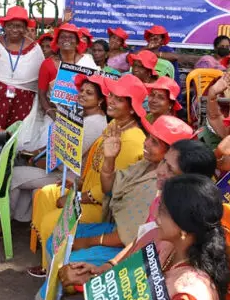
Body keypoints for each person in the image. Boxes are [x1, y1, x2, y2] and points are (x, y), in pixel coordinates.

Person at [2, 116, 194, 300]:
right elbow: (110, 188)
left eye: (155, 142)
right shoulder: (149, 166)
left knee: (71, 260)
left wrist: (91, 245)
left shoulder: (168, 190)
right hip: (122, 237)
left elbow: (133, 239)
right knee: (59, 239)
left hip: (127, 247)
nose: (147, 143)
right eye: (150, 138)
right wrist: (110, 158)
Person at [26, 175, 230, 300]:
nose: (156, 216)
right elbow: (133, 288)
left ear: (184, 229)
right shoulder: (171, 246)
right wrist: (95, 277)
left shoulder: (186, 295)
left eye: (163, 211)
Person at [30, 74, 148, 269]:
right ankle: (47, 260)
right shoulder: (114, 124)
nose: (110, 101)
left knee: (53, 221)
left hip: (103, 207)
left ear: (132, 108)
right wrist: (77, 183)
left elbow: (111, 189)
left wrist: (77, 198)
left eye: (119, 99)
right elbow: (94, 160)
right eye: (112, 95)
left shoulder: (133, 140)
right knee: (45, 195)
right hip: (86, 190)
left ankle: (52, 271)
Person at [0, 73, 108, 242]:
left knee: (14, 174)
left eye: (89, 93)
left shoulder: (95, 123)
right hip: (61, 170)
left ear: (100, 100)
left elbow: (67, 156)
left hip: (69, 177)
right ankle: (14, 222)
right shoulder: (84, 116)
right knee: (19, 169)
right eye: (81, 90)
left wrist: (41, 160)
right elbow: (60, 145)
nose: (82, 94)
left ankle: (1, 226)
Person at [0, 6, 45, 150]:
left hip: (23, 103)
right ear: (4, 26)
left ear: (25, 28)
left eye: (19, 26)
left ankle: (13, 168)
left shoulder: (35, 49)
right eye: (10, 26)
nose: (14, 30)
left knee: (15, 140)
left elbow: (39, 80)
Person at [147, 139, 218, 221]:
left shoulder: (178, 223)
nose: (159, 171)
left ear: (190, 182)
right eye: (164, 160)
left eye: (170, 170)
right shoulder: (162, 200)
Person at [37, 23, 97, 121]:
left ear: (77, 42)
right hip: (56, 117)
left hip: (85, 118)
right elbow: (42, 95)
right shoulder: (47, 64)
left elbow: (96, 90)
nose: (66, 39)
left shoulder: (87, 61)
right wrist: (52, 115)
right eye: (63, 37)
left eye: (71, 37)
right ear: (57, 42)